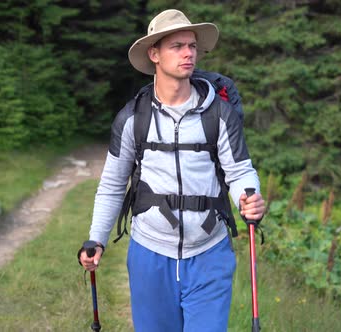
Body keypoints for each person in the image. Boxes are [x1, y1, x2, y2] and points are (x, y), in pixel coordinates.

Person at [78, 9, 265, 331]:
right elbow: (111, 184)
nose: (188, 53)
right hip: (150, 254)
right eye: (177, 46)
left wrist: (249, 198)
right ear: (154, 54)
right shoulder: (132, 119)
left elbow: (239, 171)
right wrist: (96, 239)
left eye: (192, 46)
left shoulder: (219, 114)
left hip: (210, 253)